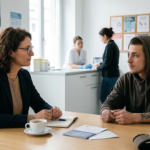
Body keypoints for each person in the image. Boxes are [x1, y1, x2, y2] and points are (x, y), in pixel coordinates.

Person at [0, 27, 62, 128]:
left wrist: (52, 110)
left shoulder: (24, 76)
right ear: (11, 52)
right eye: (27, 49)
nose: (32, 53)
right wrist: (32, 118)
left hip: (21, 136)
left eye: (31, 49)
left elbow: (38, 104)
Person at [100, 36, 150, 125]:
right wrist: (106, 111)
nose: (128, 60)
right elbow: (109, 102)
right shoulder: (125, 79)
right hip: (133, 134)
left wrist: (134, 117)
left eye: (135, 55)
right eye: (128, 54)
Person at [92, 27, 120, 103]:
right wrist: (100, 64)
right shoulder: (114, 45)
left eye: (100, 37)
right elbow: (109, 61)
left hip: (109, 76)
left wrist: (97, 68)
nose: (100, 39)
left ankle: (107, 114)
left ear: (105, 36)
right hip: (114, 75)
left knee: (104, 99)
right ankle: (111, 114)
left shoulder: (109, 45)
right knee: (111, 99)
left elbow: (107, 63)